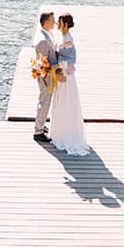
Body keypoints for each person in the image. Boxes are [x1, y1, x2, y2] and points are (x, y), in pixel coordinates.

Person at [48, 14, 90, 155]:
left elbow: (71, 63)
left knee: (66, 104)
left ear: (65, 24)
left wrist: (56, 66)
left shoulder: (68, 40)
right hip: (61, 75)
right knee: (61, 103)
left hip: (65, 77)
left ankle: (67, 136)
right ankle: (60, 133)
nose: (57, 25)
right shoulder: (63, 37)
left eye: (59, 22)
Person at [32, 11, 58, 143]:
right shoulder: (43, 41)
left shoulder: (48, 35)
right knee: (44, 102)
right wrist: (58, 65)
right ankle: (38, 131)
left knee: (44, 100)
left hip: (48, 75)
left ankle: (41, 124)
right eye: (53, 20)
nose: (55, 22)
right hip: (45, 77)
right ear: (46, 22)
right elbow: (43, 63)